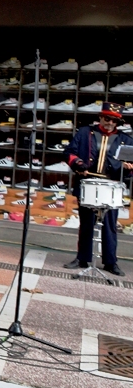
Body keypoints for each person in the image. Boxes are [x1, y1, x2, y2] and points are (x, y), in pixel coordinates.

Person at [63, 101, 132, 276]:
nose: (110, 123)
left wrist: (127, 167)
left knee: (110, 226)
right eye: (107, 119)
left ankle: (110, 262)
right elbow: (69, 153)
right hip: (88, 183)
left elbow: (131, 165)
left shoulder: (126, 139)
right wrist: (79, 164)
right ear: (100, 117)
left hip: (111, 186)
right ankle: (82, 258)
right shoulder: (85, 132)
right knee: (86, 223)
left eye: (115, 121)